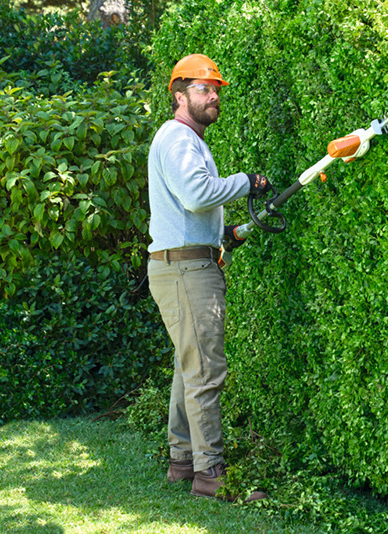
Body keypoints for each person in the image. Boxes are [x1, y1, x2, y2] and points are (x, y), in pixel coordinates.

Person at [146, 53, 269, 502]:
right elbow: (197, 194)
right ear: (180, 96)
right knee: (205, 371)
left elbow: (187, 211)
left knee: (188, 367)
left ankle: (182, 462)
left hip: (184, 262)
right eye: (203, 88)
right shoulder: (179, 138)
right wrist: (246, 181)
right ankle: (210, 474)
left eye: (215, 89)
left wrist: (226, 234)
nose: (213, 95)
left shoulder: (185, 139)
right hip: (184, 270)